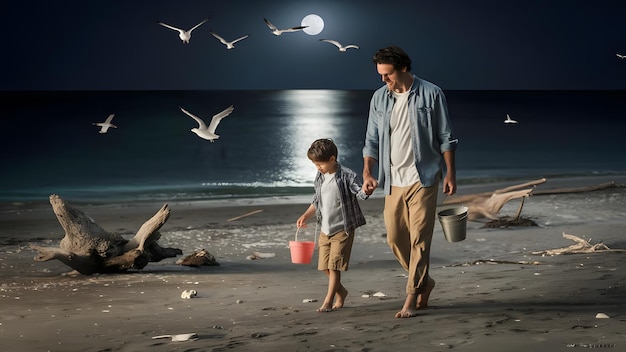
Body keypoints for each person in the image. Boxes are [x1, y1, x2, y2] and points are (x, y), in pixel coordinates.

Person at [361, 46, 458, 318]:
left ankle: (411, 296)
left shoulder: (431, 93)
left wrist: (451, 172)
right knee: (394, 237)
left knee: (420, 240)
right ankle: (425, 282)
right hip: (392, 179)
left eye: (388, 74)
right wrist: (368, 172)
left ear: (403, 68)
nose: (383, 80)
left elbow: (446, 136)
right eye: (380, 75)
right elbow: (371, 140)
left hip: (424, 177)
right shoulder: (379, 98)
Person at [297, 138, 369, 312]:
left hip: (343, 229)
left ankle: (329, 301)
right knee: (324, 266)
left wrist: (367, 189)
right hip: (325, 229)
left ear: (332, 159)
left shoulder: (347, 175)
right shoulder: (320, 176)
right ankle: (342, 291)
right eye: (315, 165)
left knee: (334, 266)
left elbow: (360, 193)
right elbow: (317, 200)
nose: (318, 168)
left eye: (320, 164)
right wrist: (305, 215)